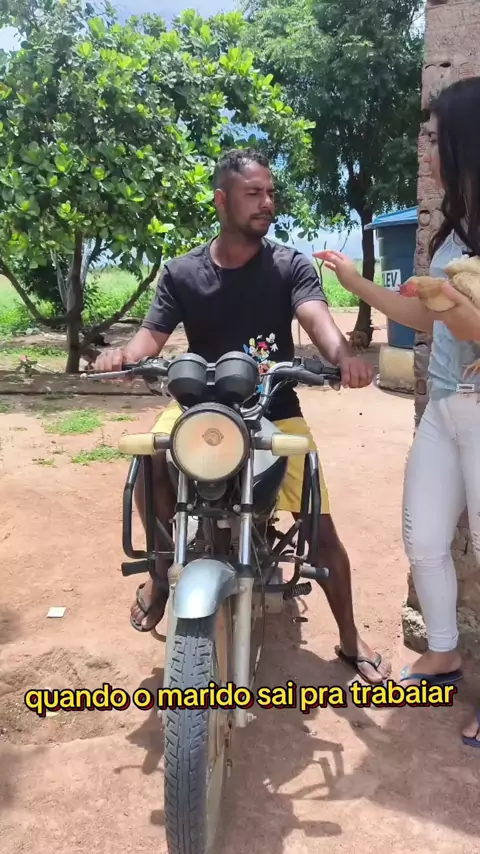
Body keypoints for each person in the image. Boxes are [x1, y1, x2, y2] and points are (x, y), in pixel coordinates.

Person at [93, 147, 390, 686]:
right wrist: (123, 357)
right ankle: (161, 572)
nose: (267, 202)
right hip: (197, 410)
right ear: (222, 200)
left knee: (319, 529)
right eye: (254, 193)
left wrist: (343, 356)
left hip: (276, 410)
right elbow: (149, 338)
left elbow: (316, 318)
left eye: (270, 193)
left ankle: (349, 637)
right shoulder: (182, 272)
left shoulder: (289, 265)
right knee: (149, 457)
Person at [316, 77, 480, 745]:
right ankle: (443, 652)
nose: (431, 153)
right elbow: (426, 316)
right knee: (424, 538)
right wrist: (355, 282)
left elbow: (466, 324)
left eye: (439, 140)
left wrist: (453, 308)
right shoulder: (456, 227)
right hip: (444, 404)